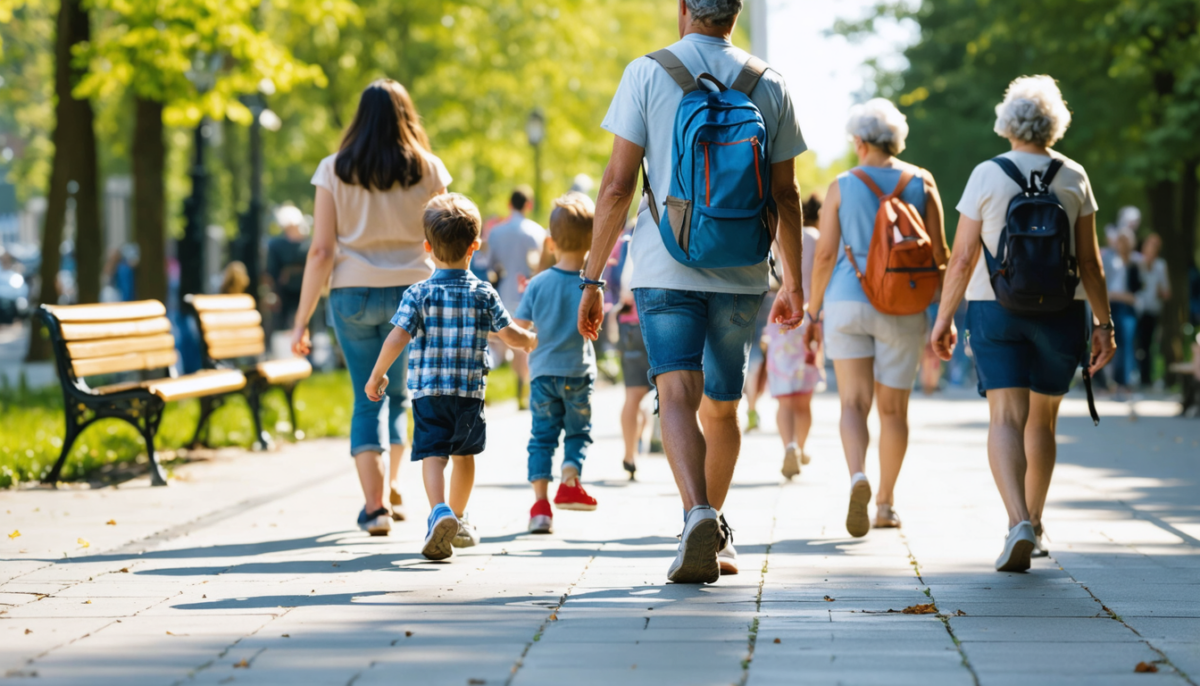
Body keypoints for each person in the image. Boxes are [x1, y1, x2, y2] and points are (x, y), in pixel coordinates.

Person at [580, 0, 808, 583]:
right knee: (724, 407)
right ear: (734, 13)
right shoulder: (769, 82)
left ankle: (696, 515)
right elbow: (786, 195)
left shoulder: (647, 72)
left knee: (676, 392)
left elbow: (615, 187)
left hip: (664, 265)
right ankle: (718, 527)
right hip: (742, 270)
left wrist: (592, 277)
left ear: (684, 9)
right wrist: (795, 283)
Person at [931, 75, 1115, 572]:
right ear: (1055, 123)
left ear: (1006, 122)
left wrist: (945, 318)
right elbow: (1091, 263)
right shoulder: (1074, 176)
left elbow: (964, 255)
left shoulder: (987, 175)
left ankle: (1017, 522)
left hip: (996, 310)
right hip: (1062, 313)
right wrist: (1105, 324)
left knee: (1005, 418)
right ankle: (1036, 521)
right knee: (1044, 420)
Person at [291, 78, 451, 536]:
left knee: (367, 395)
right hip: (415, 295)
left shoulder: (334, 169)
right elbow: (442, 237)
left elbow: (320, 251)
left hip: (352, 294)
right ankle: (394, 484)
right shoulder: (429, 169)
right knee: (401, 395)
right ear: (407, 116)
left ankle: (375, 506)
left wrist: (301, 319)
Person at [804, 98, 948, 537]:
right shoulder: (922, 182)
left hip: (848, 301)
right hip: (903, 303)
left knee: (852, 404)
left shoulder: (843, 185)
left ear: (860, 142)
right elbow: (939, 255)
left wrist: (813, 311)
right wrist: (943, 316)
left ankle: (856, 476)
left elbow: (826, 253)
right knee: (893, 411)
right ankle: (885, 502)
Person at [365, 193, 537, 560]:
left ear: (427, 247)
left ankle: (438, 510)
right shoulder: (483, 292)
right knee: (464, 455)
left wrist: (377, 374)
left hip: (428, 393)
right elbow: (509, 334)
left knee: (433, 455)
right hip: (469, 394)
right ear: (475, 246)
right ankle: (458, 516)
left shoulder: (418, 293)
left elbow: (397, 336)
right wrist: (530, 341)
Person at [513, 192, 599, 534]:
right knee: (578, 431)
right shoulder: (591, 286)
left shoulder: (537, 284)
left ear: (550, 243)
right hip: (578, 372)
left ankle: (540, 508)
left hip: (543, 374)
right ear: (592, 242)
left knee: (541, 438)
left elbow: (519, 330)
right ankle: (570, 476)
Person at [772, 193, 822, 479]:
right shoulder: (818, 237)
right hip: (810, 322)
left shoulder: (781, 236)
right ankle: (801, 448)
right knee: (804, 398)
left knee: (785, 397)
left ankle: (789, 445)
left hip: (782, 320)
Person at [486, 186, 547, 408]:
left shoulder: (496, 232)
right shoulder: (536, 232)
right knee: (525, 342)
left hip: (503, 291)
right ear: (529, 205)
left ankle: (503, 389)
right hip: (529, 292)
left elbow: (490, 265)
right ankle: (525, 391)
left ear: (509, 204)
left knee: (502, 341)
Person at [1104, 229, 1139, 395]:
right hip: (1111, 304)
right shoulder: (1109, 258)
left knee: (1126, 342)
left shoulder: (1135, 261)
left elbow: (1140, 287)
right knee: (1111, 343)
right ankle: (1108, 382)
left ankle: (1124, 381)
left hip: (1129, 307)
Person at [265, 204, 310, 331]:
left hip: (306, 290)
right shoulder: (276, 245)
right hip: (285, 292)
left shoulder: (307, 244)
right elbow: (272, 271)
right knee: (284, 325)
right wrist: (273, 292)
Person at [1135, 233, 1170, 387]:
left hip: (1152, 311)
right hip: (1136, 309)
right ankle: (1132, 374)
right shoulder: (1136, 263)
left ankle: (1145, 378)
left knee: (1148, 345)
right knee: (1135, 343)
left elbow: (1167, 292)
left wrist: (1160, 291)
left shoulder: (1161, 266)